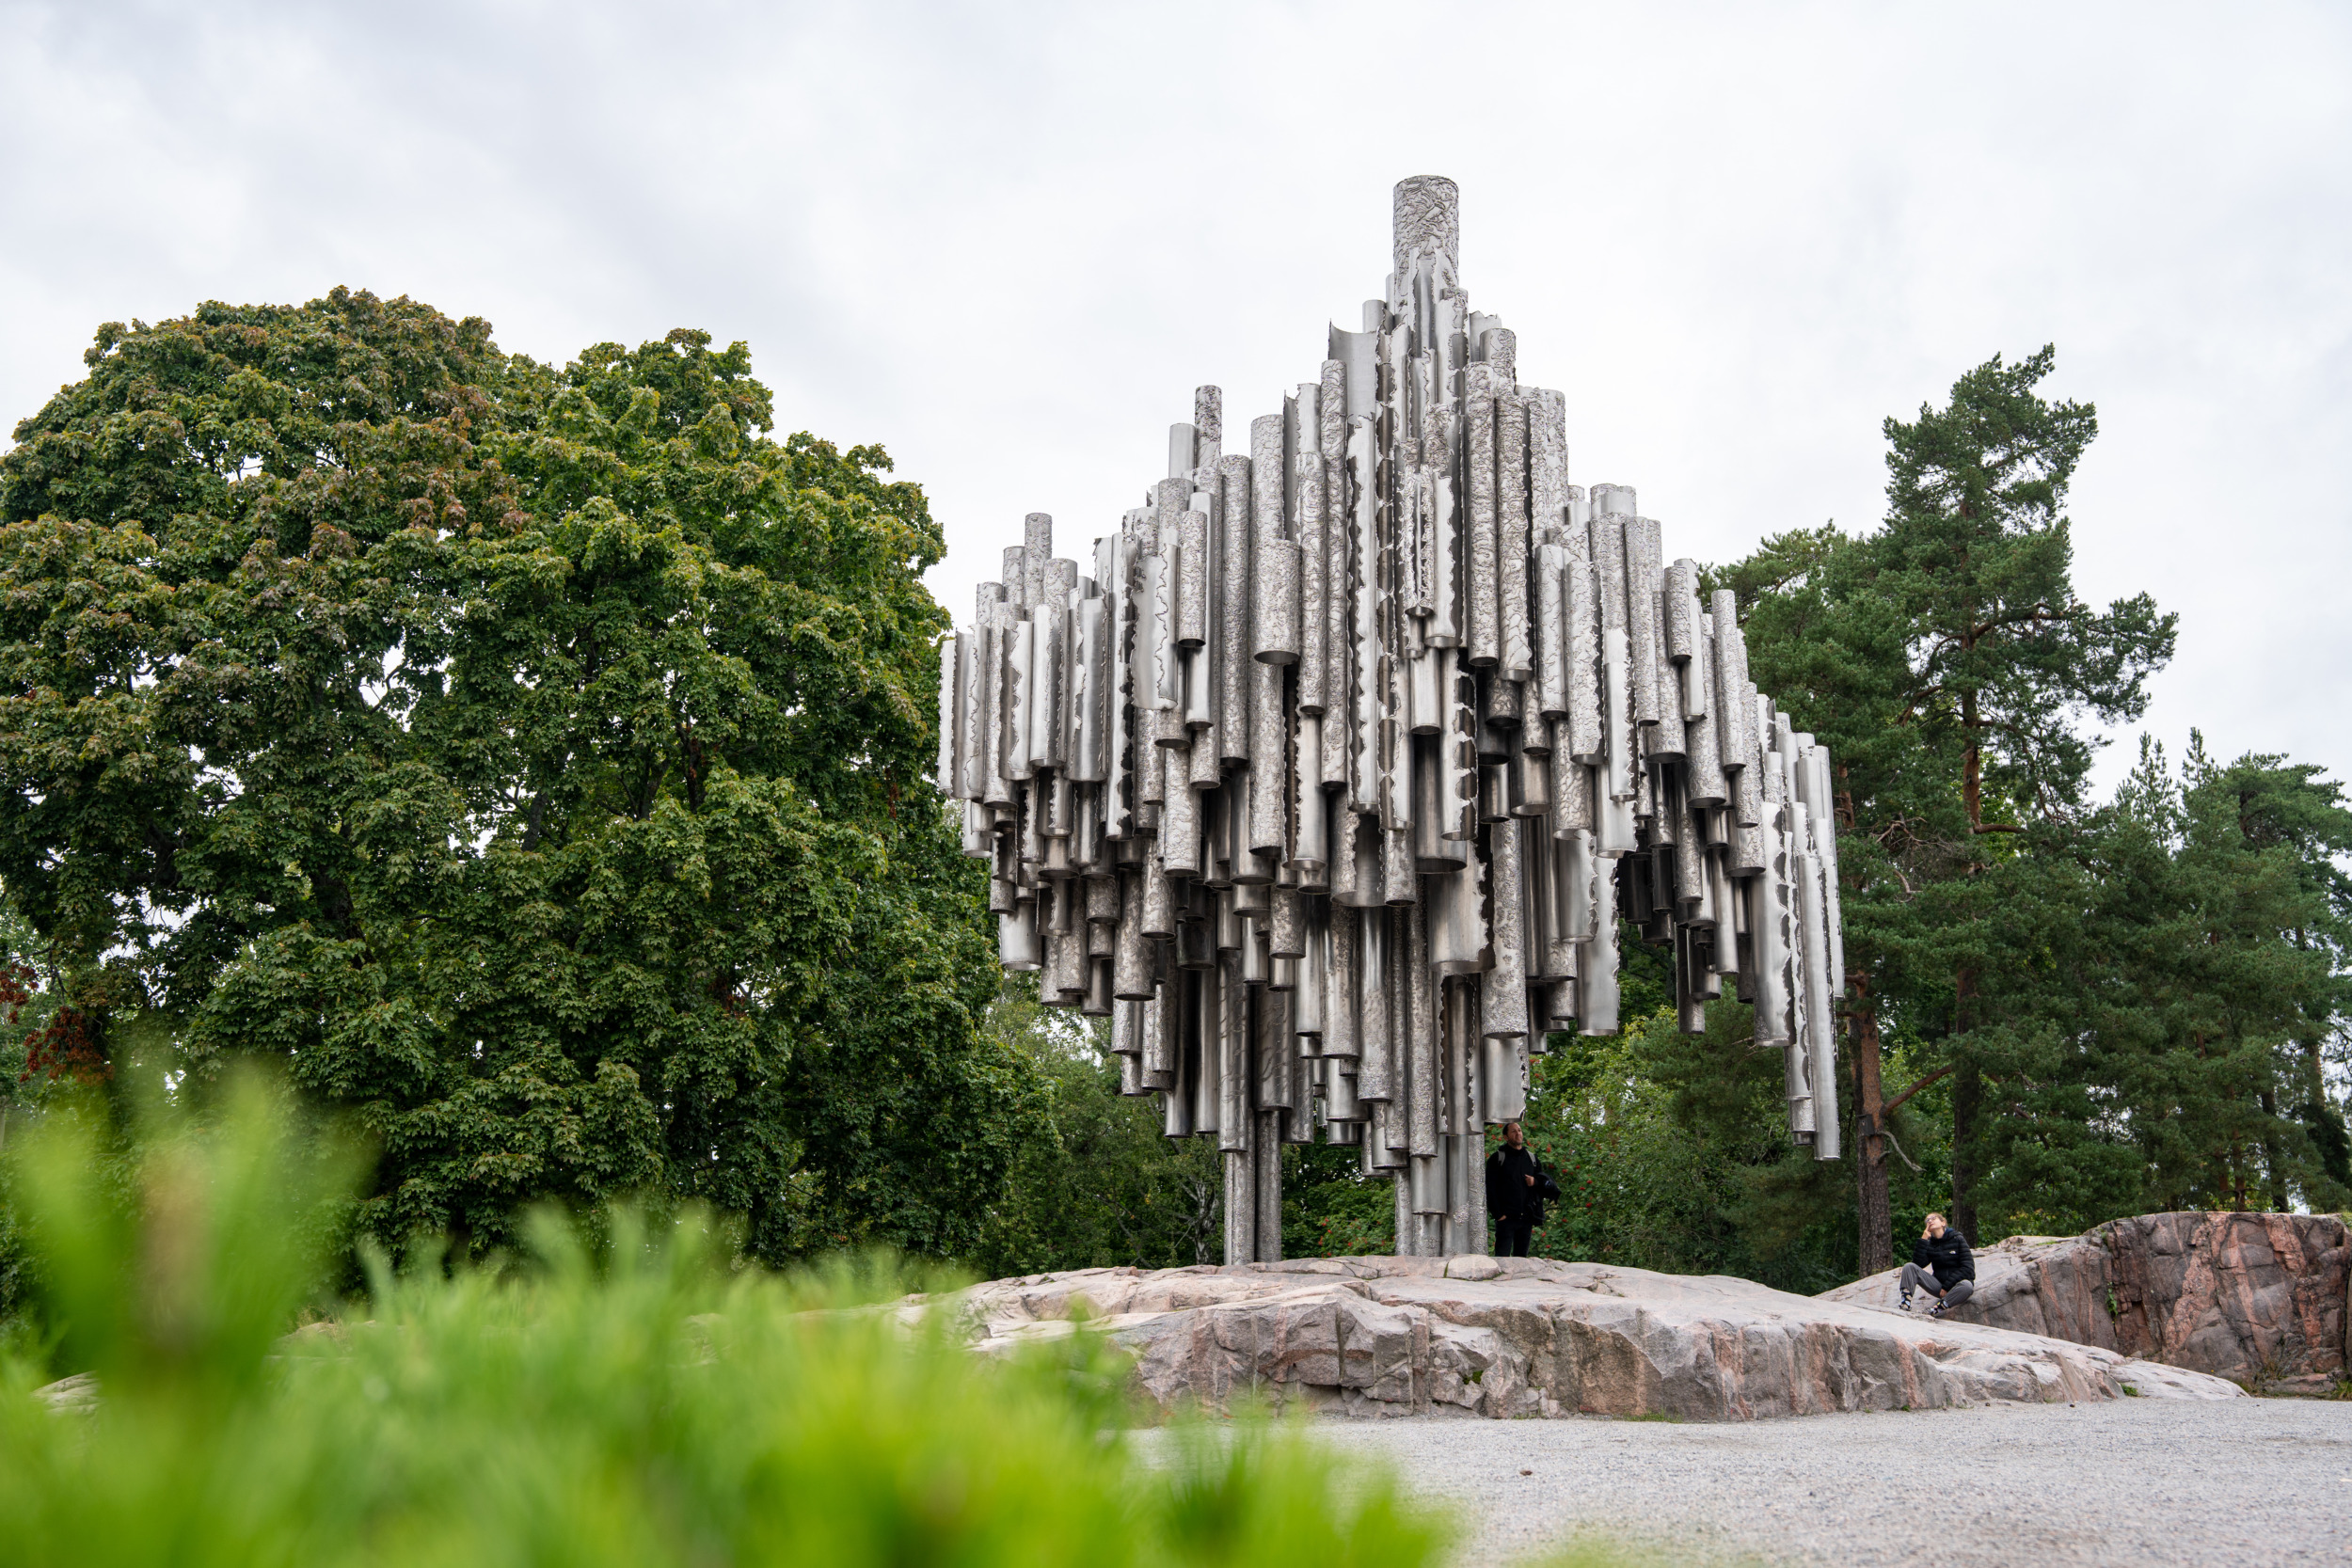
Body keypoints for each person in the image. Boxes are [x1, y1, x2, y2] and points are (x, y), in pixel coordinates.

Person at [1484, 1120, 1555, 1257]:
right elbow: (1490, 1188)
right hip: (1506, 1219)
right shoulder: (1497, 1158)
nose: (1518, 1133)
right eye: (1513, 1131)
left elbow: (1544, 1183)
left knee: (1522, 1260)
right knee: (1502, 1259)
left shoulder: (1532, 1159)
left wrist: (1535, 1182)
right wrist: (1498, 1215)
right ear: (1506, 1137)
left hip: (1526, 1219)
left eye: (1519, 1130)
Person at [1899, 1212, 1976, 1317]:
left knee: (1967, 1286)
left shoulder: (1957, 1239)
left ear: (1943, 1223)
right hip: (1938, 1286)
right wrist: (1923, 1240)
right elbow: (1917, 1264)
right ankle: (1905, 1304)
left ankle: (1936, 1309)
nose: (1930, 1221)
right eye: (1927, 1220)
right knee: (1909, 1266)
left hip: (1957, 1286)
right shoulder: (1930, 1244)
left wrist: (1947, 1286)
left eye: (1933, 1218)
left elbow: (1968, 1269)